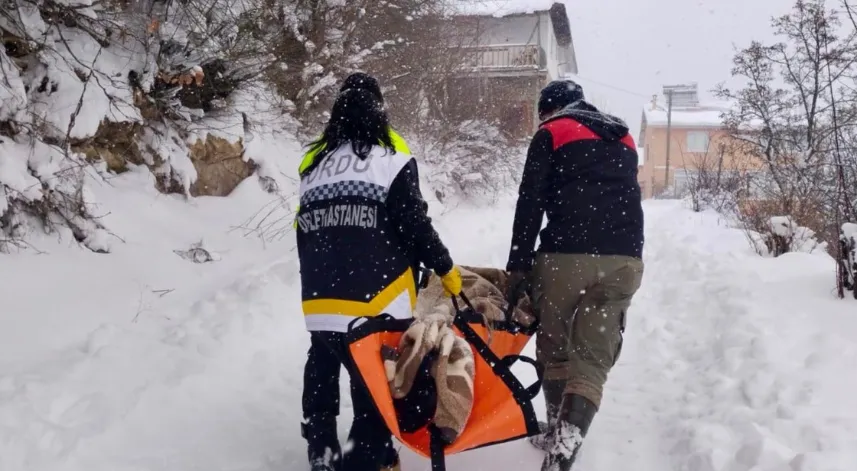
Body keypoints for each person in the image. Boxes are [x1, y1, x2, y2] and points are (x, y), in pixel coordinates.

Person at [297, 78, 462, 471]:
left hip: (319, 297)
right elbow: (414, 225)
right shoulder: (390, 158)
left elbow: (302, 228)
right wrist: (444, 267)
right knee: (373, 386)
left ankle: (321, 452)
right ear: (379, 113)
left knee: (321, 369)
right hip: (373, 299)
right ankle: (366, 459)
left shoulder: (313, 164)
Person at [504, 79, 645, 471]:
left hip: (567, 253)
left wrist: (518, 264)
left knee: (556, 350)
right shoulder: (624, 138)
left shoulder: (552, 131)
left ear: (548, 110)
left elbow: (529, 202)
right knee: (593, 359)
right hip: (624, 259)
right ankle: (565, 445)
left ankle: (555, 431)